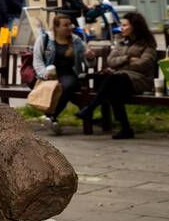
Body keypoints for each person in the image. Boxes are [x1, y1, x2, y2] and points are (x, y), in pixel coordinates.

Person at [75, 11, 159, 140]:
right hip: (119, 79)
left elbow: (144, 64)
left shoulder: (147, 43)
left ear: (135, 26)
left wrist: (120, 64)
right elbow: (110, 61)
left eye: (125, 25)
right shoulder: (121, 42)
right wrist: (128, 58)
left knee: (114, 81)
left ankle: (90, 109)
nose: (121, 28)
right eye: (122, 25)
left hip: (139, 80)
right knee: (113, 87)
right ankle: (125, 128)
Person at [33, 12, 88, 135]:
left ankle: (50, 116)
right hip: (49, 74)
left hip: (69, 73)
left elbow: (90, 63)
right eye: (66, 25)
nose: (70, 27)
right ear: (56, 27)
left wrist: (89, 57)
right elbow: (37, 61)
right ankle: (52, 118)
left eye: (70, 24)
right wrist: (44, 74)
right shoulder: (44, 39)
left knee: (66, 86)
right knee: (58, 87)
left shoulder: (76, 41)